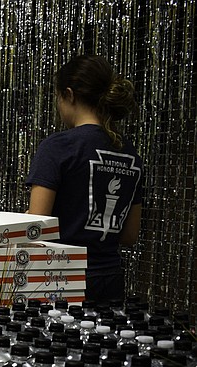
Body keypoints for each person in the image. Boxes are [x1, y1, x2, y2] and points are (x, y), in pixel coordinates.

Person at [26, 54, 143, 303]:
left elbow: (37, 227)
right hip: (111, 279)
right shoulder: (130, 154)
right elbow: (130, 235)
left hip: (61, 279)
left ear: (69, 95)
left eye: (58, 98)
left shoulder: (58, 147)